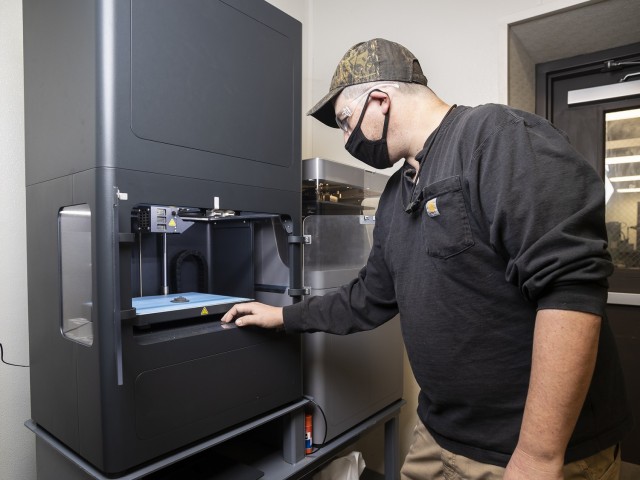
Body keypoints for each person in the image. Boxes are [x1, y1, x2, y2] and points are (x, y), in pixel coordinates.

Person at [222, 38, 632, 479]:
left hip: (523, 450)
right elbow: (367, 298)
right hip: (439, 433)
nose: (347, 140)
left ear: (380, 101)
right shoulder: (397, 194)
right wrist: (282, 317)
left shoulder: (495, 136)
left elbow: (570, 287)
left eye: (345, 123)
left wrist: (537, 455)